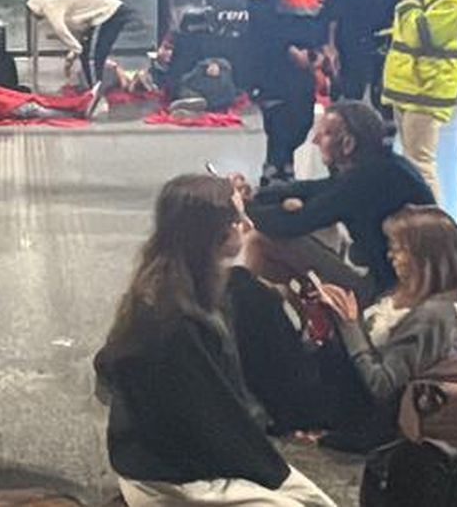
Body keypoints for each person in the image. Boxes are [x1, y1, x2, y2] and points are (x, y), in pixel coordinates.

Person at [94, 174, 335, 507]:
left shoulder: (178, 286)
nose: (247, 224)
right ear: (210, 233)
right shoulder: (173, 317)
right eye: (237, 219)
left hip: (170, 455)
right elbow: (211, 420)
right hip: (171, 473)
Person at [232, 207, 457, 451]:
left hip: (337, 401)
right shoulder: (403, 293)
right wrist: (328, 316)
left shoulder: (432, 316)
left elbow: (382, 386)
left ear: (423, 257)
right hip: (328, 375)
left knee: (246, 292)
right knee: (249, 292)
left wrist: (350, 324)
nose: (391, 255)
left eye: (400, 249)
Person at [245, 101, 435, 304]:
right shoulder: (386, 166)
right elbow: (316, 188)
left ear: (348, 144)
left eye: (325, 134)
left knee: (260, 239)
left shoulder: (361, 181)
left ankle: (256, 313)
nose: (316, 140)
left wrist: (244, 207)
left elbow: (291, 224)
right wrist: (258, 194)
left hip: (385, 289)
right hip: (410, 281)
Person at [381, 0, 457, 203]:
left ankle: (433, 224)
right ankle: (415, 215)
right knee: (409, 161)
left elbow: (421, 35)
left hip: (428, 91)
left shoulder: (454, 1)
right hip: (404, 89)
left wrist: (409, 1)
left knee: (420, 161)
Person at [246, 0, 327, 185]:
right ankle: (275, 179)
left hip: (306, 64)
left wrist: (321, 50)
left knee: (302, 122)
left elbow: (320, 15)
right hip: (276, 65)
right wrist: (290, 51)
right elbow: (262, 26)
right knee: (279, 125)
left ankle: (283, 171)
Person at [25, 0, 132, 102]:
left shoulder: (49, 5)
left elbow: (60, 30)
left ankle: (95, 95)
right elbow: (82, 31)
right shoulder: (59, 2)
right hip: (110, 12)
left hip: (107, 13)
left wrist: (76, 49)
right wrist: (75, 52)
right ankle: (92, 89)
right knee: (88, 53)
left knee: (93, 56)